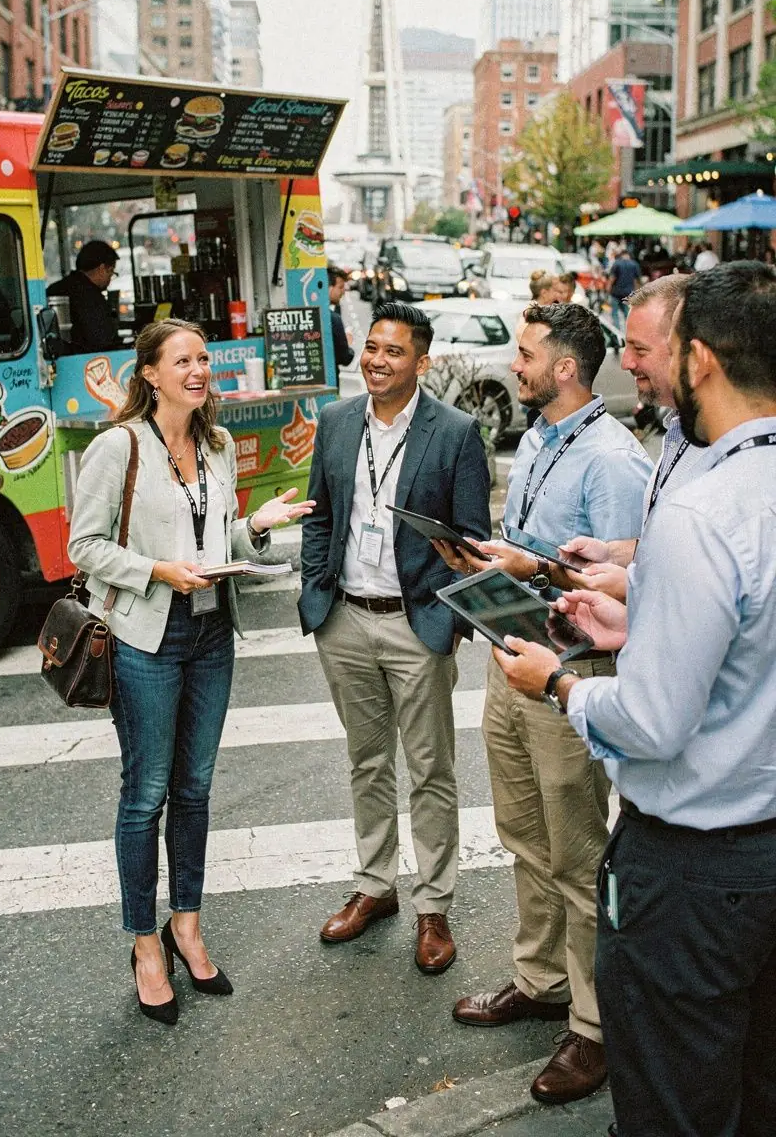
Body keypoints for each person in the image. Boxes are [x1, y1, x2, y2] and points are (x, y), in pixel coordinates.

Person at [494, 261, 776, 1137]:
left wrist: (561, 684)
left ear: (700, 361)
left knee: (672, 1100)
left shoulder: (705, 510)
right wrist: (641, 620)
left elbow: (650, 723)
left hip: (693, 873)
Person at [68, 318, 314, 1026]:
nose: (200, 369)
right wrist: (154, 571)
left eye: (204, 358)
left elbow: (217, 540)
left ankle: (187, 923)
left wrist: (256, 526)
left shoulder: (217, 443)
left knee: (196, 789)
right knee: (146, 793)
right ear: (150, 373)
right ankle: (145, 943)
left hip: (211, 630)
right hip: (147, 633)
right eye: (184, 360)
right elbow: (84, 546)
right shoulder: (119, 448)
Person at [442, 303, 651, 1107]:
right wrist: (499, 559)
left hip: (569, 672)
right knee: (522, 832)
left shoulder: (612, 460)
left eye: (526, 353)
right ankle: (540, 978)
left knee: (576, 850)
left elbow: (622, 587)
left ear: (566, 368)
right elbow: (538, 549)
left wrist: (532, 572)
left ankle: (595, 1028)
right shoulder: (535, 438)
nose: (516, 364)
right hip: (512, 657)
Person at [298, 302, 491, 973]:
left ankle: (433, 903)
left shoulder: (457, 432)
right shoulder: (335, 421)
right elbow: (319, 514)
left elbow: (469, 538)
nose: (376, 360)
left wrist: (452, 622)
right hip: (345, 617)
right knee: (366, 761)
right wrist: (313, 591)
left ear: (423, 361)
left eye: (394, 351)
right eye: (371, 347)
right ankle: (374, 886)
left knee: (431, 770)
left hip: (418, 624)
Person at [562, 273, 703, 602]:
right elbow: (669, 550)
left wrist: (631, 589)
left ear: (689, 352)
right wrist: (612, 554)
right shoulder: (679, 430)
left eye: (639, 349)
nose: (626, 362)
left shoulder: (725, 451)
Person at [47, 239, 120, 354]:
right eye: (111, 272)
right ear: (101, 269)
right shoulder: (92, 298)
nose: (111, 277)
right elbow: (103, 342)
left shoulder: (56, 288)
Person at [327, 264, 355, 374]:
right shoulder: (333, 318)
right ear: (329, 288)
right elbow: (344, 357)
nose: (343, 292)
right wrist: (346, 343)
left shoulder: (336, 309)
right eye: (340, 287)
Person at [606, 246, 641, 328]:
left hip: (616, 293)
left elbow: (612, 279)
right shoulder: (634, 264)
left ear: (621, 255)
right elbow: (637, 281)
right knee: (627, 313)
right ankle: (628, 331)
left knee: (615, 313)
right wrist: (637, 293)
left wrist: (608, 289)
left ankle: (617, 331)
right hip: (628, 294)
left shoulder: (617, 263)